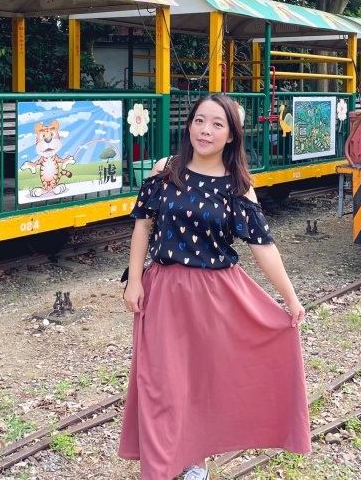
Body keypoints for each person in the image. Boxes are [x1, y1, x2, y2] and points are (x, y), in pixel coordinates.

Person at [118, 94, 312, 480]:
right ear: (189, 125)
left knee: (205, 382)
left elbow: (263, 248)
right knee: (161, 383)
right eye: (199, 121)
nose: (206, 130)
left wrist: (290, 299)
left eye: (217, 124)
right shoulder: (165, 170)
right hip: (164, 291)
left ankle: (195, 465)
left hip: (216, 296)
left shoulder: (238, 186)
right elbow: (143, 224)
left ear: (231, 136)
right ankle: (159, 470)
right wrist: (134, 280)